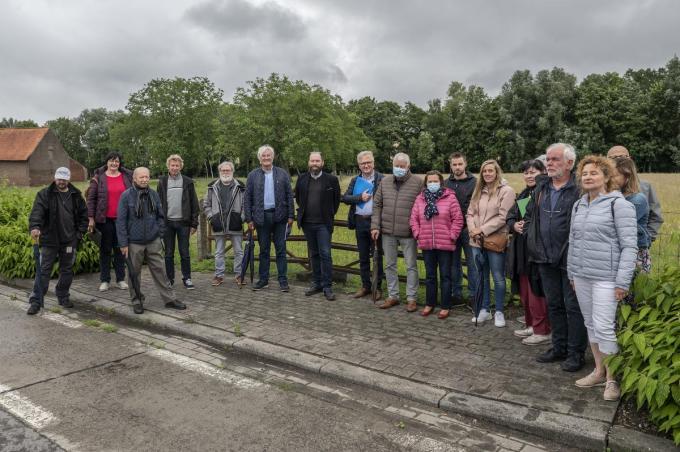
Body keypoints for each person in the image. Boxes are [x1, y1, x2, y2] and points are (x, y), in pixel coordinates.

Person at [568, 155, 637, 401]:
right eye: (584, 173)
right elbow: (573, 242)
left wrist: (622, 282)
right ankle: (598, 371)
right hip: (582, 276)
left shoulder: (618, 205)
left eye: (594, 173)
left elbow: (629, 246)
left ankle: (612, 379)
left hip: (607, 278)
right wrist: (572, 273)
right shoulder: (579, 205)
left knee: (605, 327)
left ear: (606, 177)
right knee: (591, 325)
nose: (588, 176)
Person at [525, 143, 587, 372]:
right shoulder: (541, 188)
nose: (549, 163)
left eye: (555, 159)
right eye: (548, 160)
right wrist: (532, 240)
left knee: (573, 308)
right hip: (544, 257)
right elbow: (530, 215)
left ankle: (576, 353)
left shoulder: (579, 189)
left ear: (569, 163)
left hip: (570, 260)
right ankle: (558, 347)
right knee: (554, 305)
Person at [117, 167, 186, 314]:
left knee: (160, 270)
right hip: (134, 243)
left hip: (153, 240)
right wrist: (123, 243)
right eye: (141, 177)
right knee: (134, 273)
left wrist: (159, 233)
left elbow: (160, 216)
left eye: (146, 177)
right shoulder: (126, 196)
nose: (144, 180)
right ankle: (137, 301)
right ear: (134, 179)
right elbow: (121, 221)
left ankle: (170, 299)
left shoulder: (153, 195)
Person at [27, 167, 88, 315]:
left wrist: (79, 234)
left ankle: (63, 296)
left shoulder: (76, 196)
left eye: (64, 179)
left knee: (66, 270)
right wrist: (35, 226)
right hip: (50, 240)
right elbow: (37, 212)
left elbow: (83, 216)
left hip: (69, 240)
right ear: (55, 178)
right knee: (44, 270)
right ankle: (36, 300)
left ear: (68, 179)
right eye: (59, 178)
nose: (61, 181)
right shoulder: (45, 194)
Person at [506, 159, 551, 345]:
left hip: (537, 251)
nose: (529, 175)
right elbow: (511, 215)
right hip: (521, 250)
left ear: (543, 172)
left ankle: (543, 330)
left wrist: (529, 225)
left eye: (533, 172)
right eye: (526, 172)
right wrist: (513, 225)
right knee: (525, 291)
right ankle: (532, 324)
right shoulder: (524, 193)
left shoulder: (546, 192)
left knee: (537, 293)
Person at [466, 160, 515, 327]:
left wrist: (482, 230)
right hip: (476, 241)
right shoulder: (478, 190)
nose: (487, 173)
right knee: (482, 276)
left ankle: (499, 311)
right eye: (484, 171)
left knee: (498, 277)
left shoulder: (506, 191)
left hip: (494, 240)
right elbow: (470, 213)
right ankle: (484, 310)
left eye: (490, 171)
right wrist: (473, 230)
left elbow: (503, 217)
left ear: (496, 172)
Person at [370, 153, 422, 311]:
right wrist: (375, 226)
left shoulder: (418, 183)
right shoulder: (384, 181)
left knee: (411, 266)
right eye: (396, 165)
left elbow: (422, 206)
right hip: (387, 232)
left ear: (408, 166)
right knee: (389, 265)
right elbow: (377, 204)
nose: (399, 168)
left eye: (402, 166)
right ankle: (393, 296)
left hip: (408, 233)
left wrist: (418, 229)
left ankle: (412, 298)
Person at [410, 171, 464, 319]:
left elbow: (458, 219)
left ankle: (445, 305)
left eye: (435, 181)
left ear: (441, 182)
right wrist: (418, 234)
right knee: (430, 276)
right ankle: (430, 303)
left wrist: (452, 235)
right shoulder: (420, 199)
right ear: (426, 183)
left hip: (445, 244)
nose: (432, 184)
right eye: (430, 181)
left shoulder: (450, 198)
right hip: (427, 243)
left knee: (446, 276)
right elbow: (414, 219)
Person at [244, 145, 295, 292]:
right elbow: (247, 199)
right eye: (263, 156)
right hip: (261, 217)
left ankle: (283, 280)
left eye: (268, 155)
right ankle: (263, 279)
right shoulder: (253, 175)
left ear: (273, 157)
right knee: (264, 250)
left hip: (280, 217)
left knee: (280, 249)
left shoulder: (282, 174)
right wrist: (249, 219)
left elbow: (289, 196)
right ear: (260, 158)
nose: (266, 158)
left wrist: (291, 216)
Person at [294, 152, 341, 300]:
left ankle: (327, 286)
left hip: (323, 225)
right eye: (312, 160)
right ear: (308, 162)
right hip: (308, 223)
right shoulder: (301, 179)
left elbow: (336, 201)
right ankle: (316, 283)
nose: (315, 163)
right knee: (314, 254)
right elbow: (299, 199)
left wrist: (328, 214)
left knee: (325, 254)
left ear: (322, 162)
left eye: (317, 160)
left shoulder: (331, 180)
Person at [86, 152, 133, 292]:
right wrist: (91, 218)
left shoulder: (126, 177)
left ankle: (120, 279)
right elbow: (91, 199)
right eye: (111, 161)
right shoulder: (98, 178)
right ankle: (105, 280)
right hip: (104, 220)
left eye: (117, 161)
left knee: (120, 249)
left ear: (119, 163)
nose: (114, 164)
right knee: (105, 250)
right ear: (107, 162)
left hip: (122, 220)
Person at [342, 151, 384, 300]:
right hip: (360, 221)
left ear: (373, 163)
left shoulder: (382, 179)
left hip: (376, 222)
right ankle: (365, 285)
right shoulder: (355, 180)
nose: (366, 165)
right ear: (359, 165)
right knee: (363, 255)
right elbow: (345, 198)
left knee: (377, 255)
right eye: (363, 163)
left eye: (369, 162)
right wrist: (360, 197)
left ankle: (377, 287)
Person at [157, 154, 200, 290]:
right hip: (167, 223)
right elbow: (158, 204)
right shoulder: (162, 182)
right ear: (168, 166)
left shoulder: (188, 181)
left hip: (184, 223)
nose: (174, 167)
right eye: (172, 165)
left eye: (177, 165)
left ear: (181, 166)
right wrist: (159, 224)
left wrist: (194, 224)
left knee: (184, 252)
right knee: (168, 253)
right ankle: (169, 279)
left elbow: (194, 203)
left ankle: (187, 278)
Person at [606, 146, 663, 243]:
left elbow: (656, 216)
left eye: (622, 156)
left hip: (637, 245)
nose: (618, 160)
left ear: (629, 159)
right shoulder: (602, 187)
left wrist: (647, 238)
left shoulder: (645, 186)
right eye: (613, 158)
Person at [204, 161, 245, 286]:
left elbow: (245, 205)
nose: (225, 172)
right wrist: (211, 218)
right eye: (223, 170)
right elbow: (206, 205)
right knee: (219, 252)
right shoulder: (212, 187)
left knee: (239, 251)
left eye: (228, 170)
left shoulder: (240, 186)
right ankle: (219, 275)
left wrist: (241, 218)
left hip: (235, 223)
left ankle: (239, 275)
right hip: (218, 223)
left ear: (232, 171)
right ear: (219, 172)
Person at [444, 152, 478, 308]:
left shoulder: (475, 182)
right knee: (453, 264)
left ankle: (473, 296)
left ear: (465, 164)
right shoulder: (445, 183)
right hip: (450, 230)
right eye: (454, 164)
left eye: (460, 164)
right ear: (450, 165)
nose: (457, 167)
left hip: (469, 229)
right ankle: (456, 294)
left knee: (473, 264)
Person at [612, 158, 651, 272]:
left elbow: (615, 223)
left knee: (632, 287)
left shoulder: (637, 199)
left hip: (634, 253)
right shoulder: (614, 196)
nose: (611, 179)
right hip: (617, 251)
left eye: (616, 175)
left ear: (627, 177)